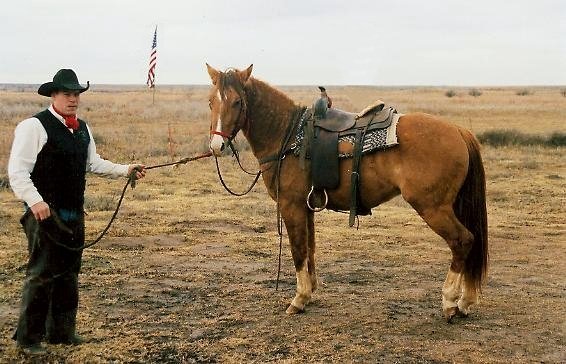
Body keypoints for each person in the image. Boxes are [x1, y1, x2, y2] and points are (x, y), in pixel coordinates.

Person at [7, 69, 146, 355]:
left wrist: (125, 170)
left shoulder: (82, 128)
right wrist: (35, 201)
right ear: (53, 95)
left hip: (74, 214)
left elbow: (93, 163)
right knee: (41, 274)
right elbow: (18, 172)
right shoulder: (34, 127)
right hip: (44, 215)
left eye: (76, 94)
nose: (73, 99)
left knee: (69, 274)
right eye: (67, 94)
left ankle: (61, 333)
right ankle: (28, 340)